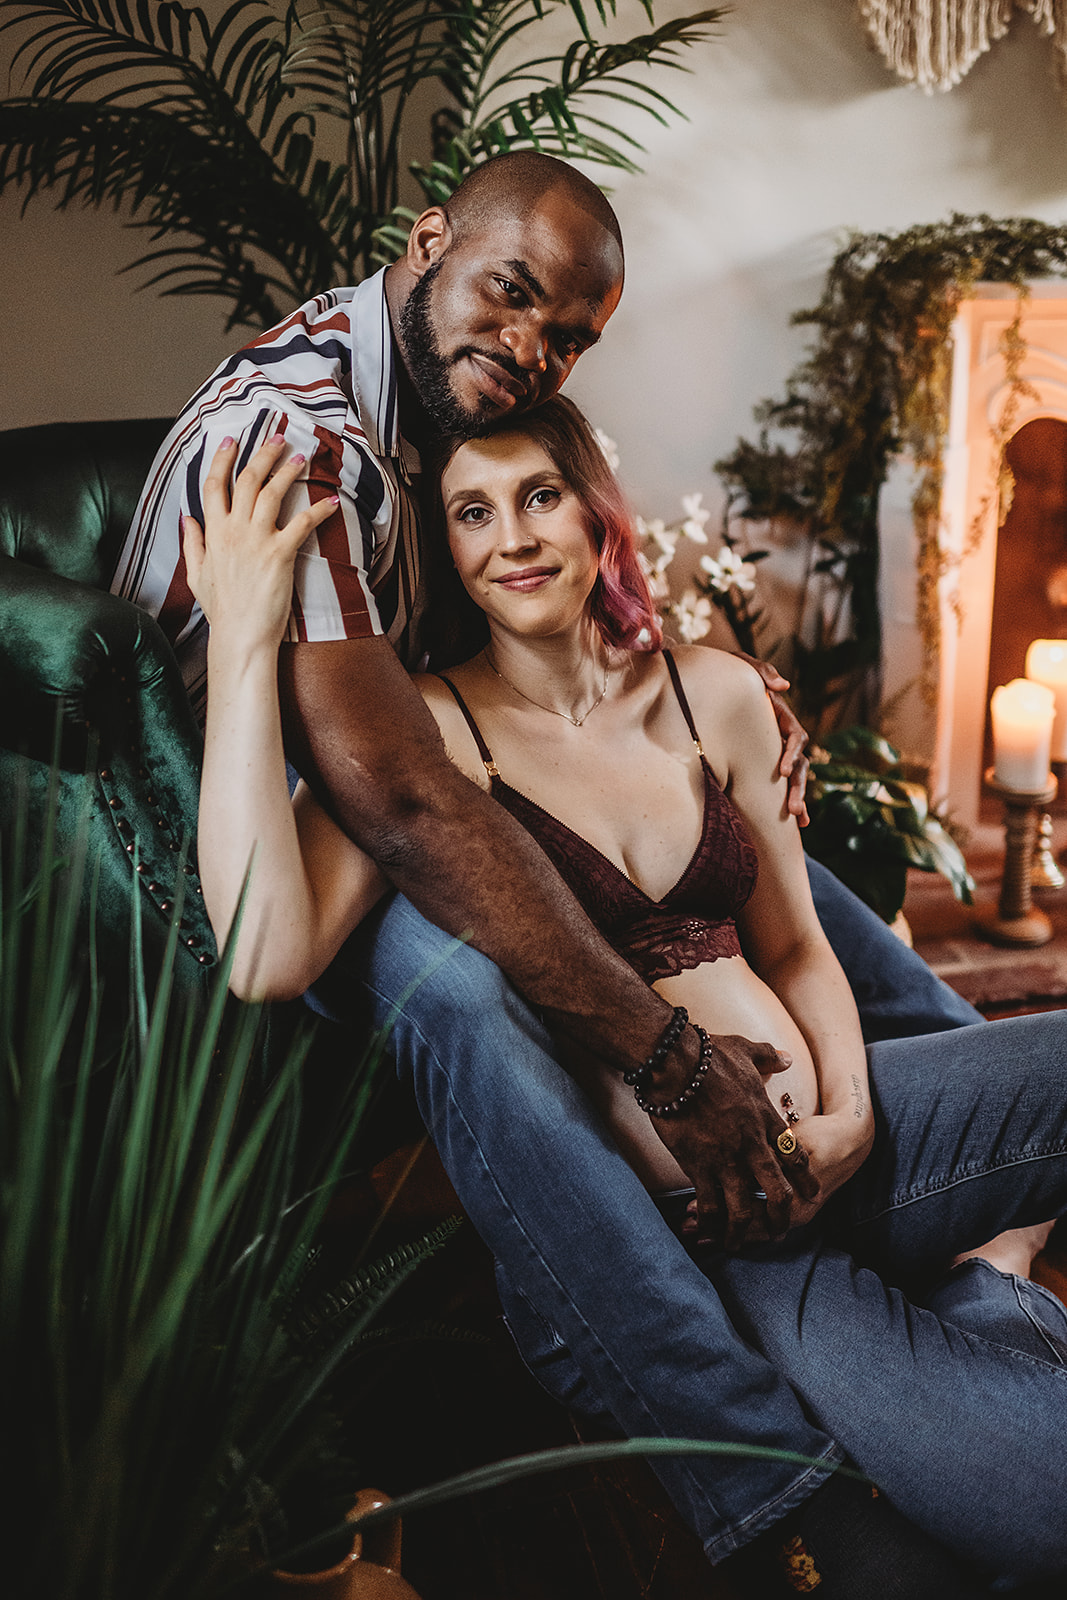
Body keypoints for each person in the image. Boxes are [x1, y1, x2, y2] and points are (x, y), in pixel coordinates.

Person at [112, 151, 986, 1591]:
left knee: (739, 854)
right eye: (509, 296)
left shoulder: (418, 395)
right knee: (459, 989)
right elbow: (396, 795)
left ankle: (992, 1220)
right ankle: (758, 1476)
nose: (528, 352)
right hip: (284, 846)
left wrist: (698, 708)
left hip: (401, 777)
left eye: (567, 337)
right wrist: (661, 1054)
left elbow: (501, 621)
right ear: (427, 239)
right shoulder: (310, 435)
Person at [183, 410, 1067, 1598]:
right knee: (1032, 1507)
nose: (512, 538)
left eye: (539, 495)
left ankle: (976, 1265)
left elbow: (801, 945)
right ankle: (982, 1288)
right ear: (447, 548)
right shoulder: (427, 734)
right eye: (472, 512)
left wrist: (849, 1111)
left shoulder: (714, 693)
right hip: (714, 1237)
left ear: (596, 505)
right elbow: (260, 947)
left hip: (856, 1148)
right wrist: (245, 640)